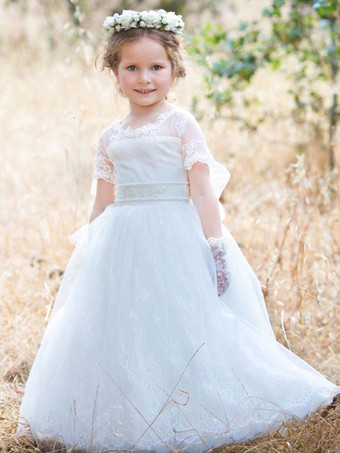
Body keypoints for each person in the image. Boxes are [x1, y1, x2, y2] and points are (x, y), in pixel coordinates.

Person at [17, 9, 339, 453]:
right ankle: (127, 408)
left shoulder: (181, 124)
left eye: (156, 67)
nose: (144, 78)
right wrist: (89, 247)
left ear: (174, 70)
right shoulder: (110, 137)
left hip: (175, 237)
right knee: (124, 325)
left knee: (183, 320)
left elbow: (204, 193)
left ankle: (196, 402)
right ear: (114, 72)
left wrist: (216, 245)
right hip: (121, 243)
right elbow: (102, 200)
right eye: (131, 67)